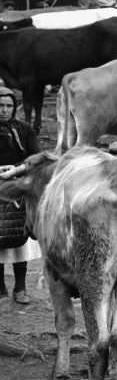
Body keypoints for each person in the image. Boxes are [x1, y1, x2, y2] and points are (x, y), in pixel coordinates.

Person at [0, 86, 39, 305]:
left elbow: (36, 158)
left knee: (21, 241)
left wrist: (19, 170)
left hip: (20, 188)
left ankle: (20, 287)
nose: (4, 110)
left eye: (8, 106)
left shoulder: (23, 130)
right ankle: (0, 287)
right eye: (0, 106)